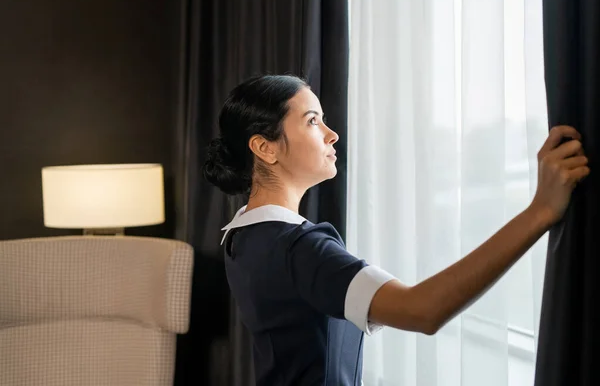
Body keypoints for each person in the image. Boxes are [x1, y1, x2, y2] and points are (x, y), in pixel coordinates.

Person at [202, 74, 590, 386]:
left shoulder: (242, 235)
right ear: (265, 148)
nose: (331, 134)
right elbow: (423, 310)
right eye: (312, 121)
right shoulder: (298, 248)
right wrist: (540, 211)